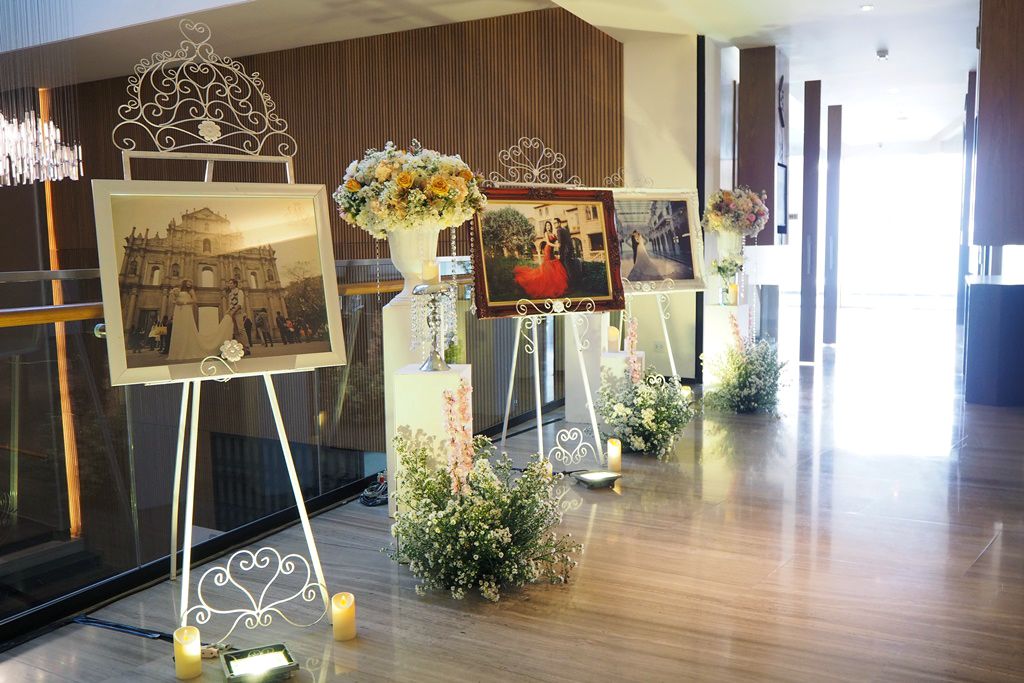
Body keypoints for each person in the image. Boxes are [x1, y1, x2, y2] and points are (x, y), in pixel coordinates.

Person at [168, 279, 234, 361]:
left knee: (186, 327)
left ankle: (187, 348)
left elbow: (195, 300)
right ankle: (177, 350)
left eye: (191, 282)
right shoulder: (178, 290)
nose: (190, 283)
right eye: (188, 282)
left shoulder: (191, 290)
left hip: (186, 309)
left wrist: (184, 302)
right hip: (178, 310)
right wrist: (175, 300)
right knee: (179, 328)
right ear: (184, 282)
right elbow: (174, 300)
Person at [513, 225, 568, 298]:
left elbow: (558, 240)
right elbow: (548, 243)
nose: (548, 227)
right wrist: (556, 245)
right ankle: (549, 286)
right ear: (545, 227)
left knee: (555, 267)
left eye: (549, 225)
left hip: (551, 251)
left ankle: (553, 285)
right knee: (549, 267)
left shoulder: (553, 233)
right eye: (547, 226)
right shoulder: (546, 233)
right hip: (548, 250)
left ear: (551, 226)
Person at [225, 278, 250, 356]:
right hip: (232, 313)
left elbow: (240, 304)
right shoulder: (230, 294)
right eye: (229, 283)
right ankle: (240, 348)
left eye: (231, 283)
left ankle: (246, 348)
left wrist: (233, 311)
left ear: (235, 284)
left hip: (238, 313)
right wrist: (228, 311)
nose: (229, 285)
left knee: (241, 330)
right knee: (235, 331)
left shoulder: (239, 292)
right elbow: (231, 305)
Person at [556, 220, 581, 289]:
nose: (555, 224)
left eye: (556, 223)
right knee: (570, 268)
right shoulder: (565, 230)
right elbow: (569, 241)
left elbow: (560, 243)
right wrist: (571, 251)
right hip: (569, 252)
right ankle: (575, 284)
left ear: (559, 223)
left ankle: (571, 285)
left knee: (566, 269)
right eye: (554, 223)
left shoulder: (559, 230)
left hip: (564, 253)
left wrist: (559, 254)